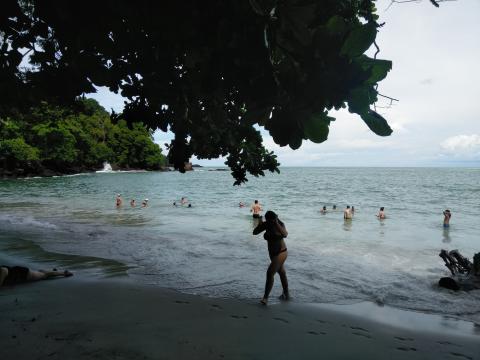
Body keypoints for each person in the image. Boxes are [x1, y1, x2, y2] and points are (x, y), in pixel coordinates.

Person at [253, 211, 289, 305]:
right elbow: (255, 232)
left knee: (270, 273)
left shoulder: (280, 224)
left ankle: (265, 298)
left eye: (271, 220)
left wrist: (276, 223)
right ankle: (286, 294)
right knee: (281, 272)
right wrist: (260, 224)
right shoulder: (267, 224)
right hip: (273, 254)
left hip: (281, 253)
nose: (269, 221)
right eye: (267, 220)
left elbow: (285, 234)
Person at [1, 266, 73, 287]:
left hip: (25, 274)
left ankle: (64, 273)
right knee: (41, 272)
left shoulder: (2, 270)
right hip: (20, 272)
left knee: (44, 275)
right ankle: (52, 270)